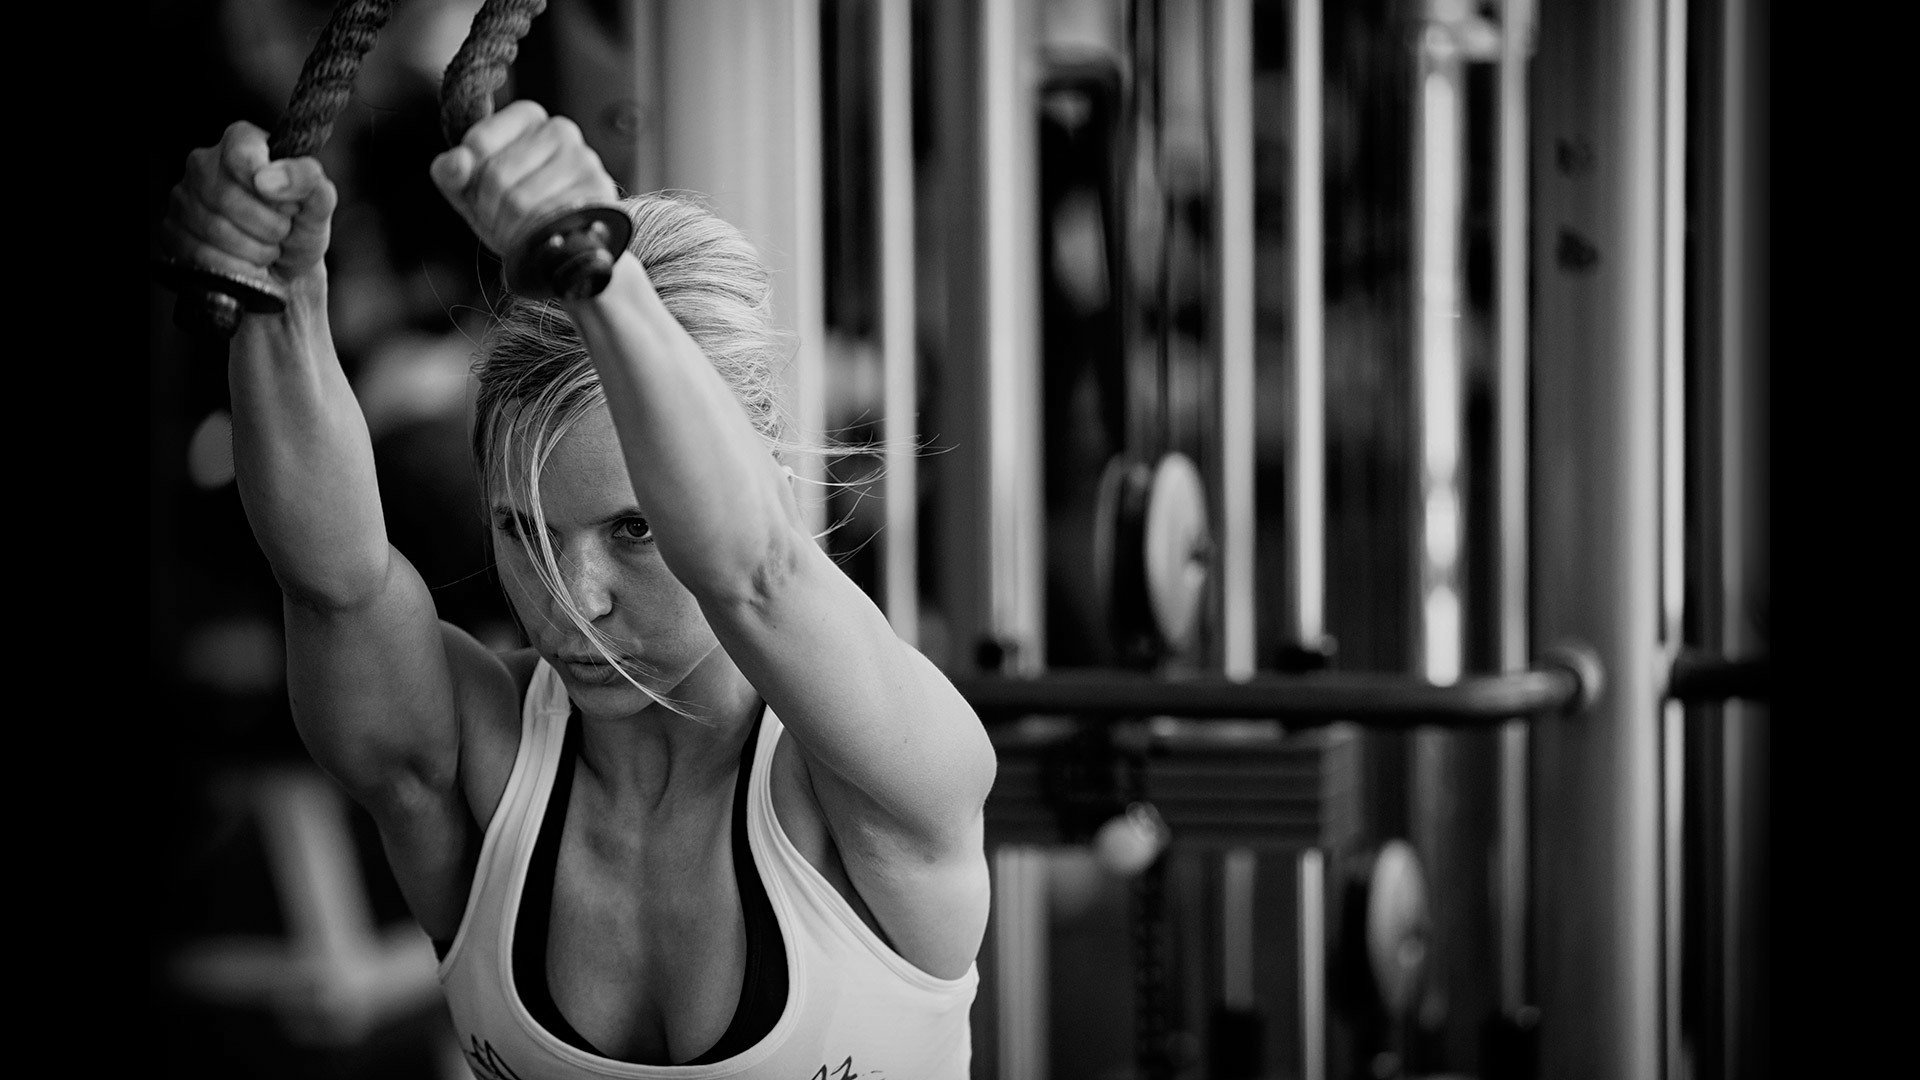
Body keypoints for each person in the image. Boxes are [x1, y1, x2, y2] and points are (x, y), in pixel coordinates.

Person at [159, 100, 997, 1076]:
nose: (572, 601)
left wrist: (592, 264)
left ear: (748, 478)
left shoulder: (877, 778)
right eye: (522, 530)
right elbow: (332, 586)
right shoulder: (478, 760)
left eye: (635, 530)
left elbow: (757, 574)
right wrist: (280, 292)